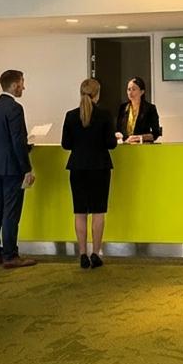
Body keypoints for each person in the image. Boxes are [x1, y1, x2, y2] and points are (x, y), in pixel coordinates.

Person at [62, 78, 117, 269]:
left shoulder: (70, 116)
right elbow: (111, 143)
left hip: (77, 167)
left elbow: (66, 144)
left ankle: (82, 254)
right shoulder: (105, 115)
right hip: (100, 167)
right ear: (97, 94)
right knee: (98, 212)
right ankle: (96, 253)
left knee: (80, 212)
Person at [0, 69, 36, 269]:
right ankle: (11, 255)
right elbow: (17, 141)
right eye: (22, 83)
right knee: (11, 211)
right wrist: (27, 168)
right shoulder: (15, 108)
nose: (24, 87)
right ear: (14, 85)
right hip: (12, 167)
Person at [116, 77, 162, 144]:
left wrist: (139, 137)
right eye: (129, 89)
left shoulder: (150, 108)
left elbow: (156, 133)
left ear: (142, 92)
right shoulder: (123, 107)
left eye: (134, 89)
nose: (130, 92)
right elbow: (118, 129)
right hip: (125, 145)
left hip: (142, 146)